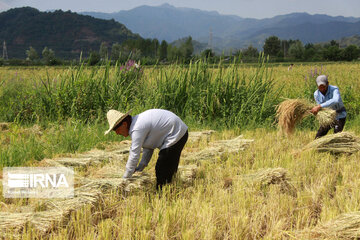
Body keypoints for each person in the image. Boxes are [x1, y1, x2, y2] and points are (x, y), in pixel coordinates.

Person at [104, 109, 188, 189]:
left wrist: (126, 177)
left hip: (176, 133)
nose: (117, 133)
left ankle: (163, 194)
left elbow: (134, 154)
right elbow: (148, 148)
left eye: (116, 129)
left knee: (162, 168)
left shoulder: (137, 128)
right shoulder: (137, 124)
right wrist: (140, 167)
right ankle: (169, 187)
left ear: (124, 124)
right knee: (168, 166)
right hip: (179, 131)